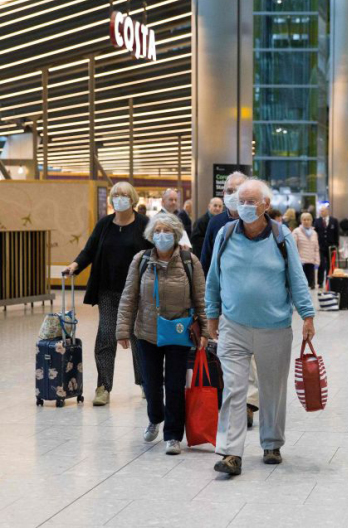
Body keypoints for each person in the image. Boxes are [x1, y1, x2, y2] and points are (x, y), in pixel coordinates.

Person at [206, 179, 316, 476]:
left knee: (272, 389)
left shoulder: (281, 236)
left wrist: (307, 315)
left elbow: (296, 278)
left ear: (266, 205)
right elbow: (213, 278)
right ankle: (231, 452)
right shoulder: (225, 234)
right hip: (233, 325)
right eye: (241, 200)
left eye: (252, 201)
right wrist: (211, 314)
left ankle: (271, 443)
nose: (245, 206)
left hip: (274, 327)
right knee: (234, 389)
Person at [116, 213, 209, 454]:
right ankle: (155, 417)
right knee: (151, 382)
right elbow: (129, 297)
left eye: (167, 231)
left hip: (179, 331)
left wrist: (206, 332)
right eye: (157, 230)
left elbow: (201, 298)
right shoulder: (141, 260)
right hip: (147, 332)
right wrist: (122, 330)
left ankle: (173, 435)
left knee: (175, 384)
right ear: (151, 235)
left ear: (176, 234)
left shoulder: (190, 261)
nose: (162, 235)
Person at [63, 182, 147, 406]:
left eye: (124, 194)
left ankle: (145, 383)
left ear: (132, 198)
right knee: (106, 335)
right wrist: (74, 266)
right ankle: (104, 387)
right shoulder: (105, 224)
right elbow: (89, 250)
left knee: (139, 337)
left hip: (137, 292)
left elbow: (157, 251)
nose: (120, 198)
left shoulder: (144, 224)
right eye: (116, 194)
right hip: (108, 290)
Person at [197, 170, 260, 426]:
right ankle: (235, 400)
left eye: (239, 189)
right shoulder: (216, 223)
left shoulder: (258, 222)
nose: (233, 195)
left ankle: (248, 402)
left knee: (251, 354)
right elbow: (206, 264)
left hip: (253, 301)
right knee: (229, 353)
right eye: (229, 191)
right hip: (224, 300)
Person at [200, 171, 248, 275]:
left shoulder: (252, 220)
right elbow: (206, 257)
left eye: (238, 191)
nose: (234, 195)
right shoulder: (215, 221)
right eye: (230, 191)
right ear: (224, 193)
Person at [292, 212, 320, 289]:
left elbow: (316, 248)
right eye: (304, 219)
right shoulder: (296, 231)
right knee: (302, 286)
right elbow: (293, 247)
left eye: (308, 219)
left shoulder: (314, 233)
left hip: (311, 262)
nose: (306, 221)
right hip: (301, 262)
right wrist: (296, 260)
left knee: (311, 287)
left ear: (311, 221)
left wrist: (317, 261)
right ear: (301, 220)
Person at [315, 204, 339, 289]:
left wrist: (336, 245)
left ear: (327, 211)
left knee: (330, 264)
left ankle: (328, 281)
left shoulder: (334, 221)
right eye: (321, 211)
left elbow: (336, 234)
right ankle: (320, 282)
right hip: (320, 246)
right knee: (321, 264)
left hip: (331, 246)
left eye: (323, 211)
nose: (322, 212)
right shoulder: (317, 221)